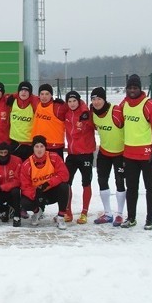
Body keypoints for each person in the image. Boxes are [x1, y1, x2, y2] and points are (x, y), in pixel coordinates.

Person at [117, 74, 152, 230]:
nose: (132, 90)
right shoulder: (124, 104)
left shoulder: (149, 104)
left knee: (150, 187)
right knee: (131, 188)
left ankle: (150, 219)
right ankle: (131, 218)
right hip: (129, 154)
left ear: (140, 88)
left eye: (135, 88)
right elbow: (117, 121)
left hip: (146, 154)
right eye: (129, 88)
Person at [90, 86, 126, 225]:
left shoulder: (116, 111)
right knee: (102, 181)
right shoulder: (93, 113)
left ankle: (120, 214)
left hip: (120, 153)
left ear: (104, 99)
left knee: (120, 182)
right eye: (93, 99)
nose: (96, 102)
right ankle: (107, 213)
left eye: (99, 98)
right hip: (104, 152)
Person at [19, 135, 70, 230]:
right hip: (37, 193)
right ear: (33, 148)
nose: (39, 149)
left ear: (45, 147)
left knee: (64, 186)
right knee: (24, 202)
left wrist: (48, 183)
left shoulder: (54, 157)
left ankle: (60, 217)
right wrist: (35, 194)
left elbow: (64, 175)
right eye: (36, 146)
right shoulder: (27, 164)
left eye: (42, 146)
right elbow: (25, 185)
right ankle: (37, 211)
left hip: (52, 191)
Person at [63, 90, 96, 224]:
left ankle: (84, 212)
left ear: (79, 101)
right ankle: (68, 211)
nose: (72, 104)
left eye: (74, 101)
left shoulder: (86, 113)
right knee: (66, 182)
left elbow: (96, 126)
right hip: (72, 154)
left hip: (86, 154)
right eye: (69, 101)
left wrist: (88, 115)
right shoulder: (66, 113)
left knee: (86, 182)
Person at [30, 83, 67, 159]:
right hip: (39, 145)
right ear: (39, 95)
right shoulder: (37, 103)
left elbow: (74, 105)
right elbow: (24, 92)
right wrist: (14, 96)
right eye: (42, 94)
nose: (44, 96)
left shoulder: (58, 107)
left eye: (47, 94)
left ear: (51, 95)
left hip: (55, 146)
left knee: (56, 170)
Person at [7, 81, 40, 161]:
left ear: (30, 93)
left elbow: (45, 102)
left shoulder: (34, 103)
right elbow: (0, 96)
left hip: (29, 144)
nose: (23, 92)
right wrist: (13, 95)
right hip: (15, 143)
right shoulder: (13, 101)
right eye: (21, 90)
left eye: (26, 90)